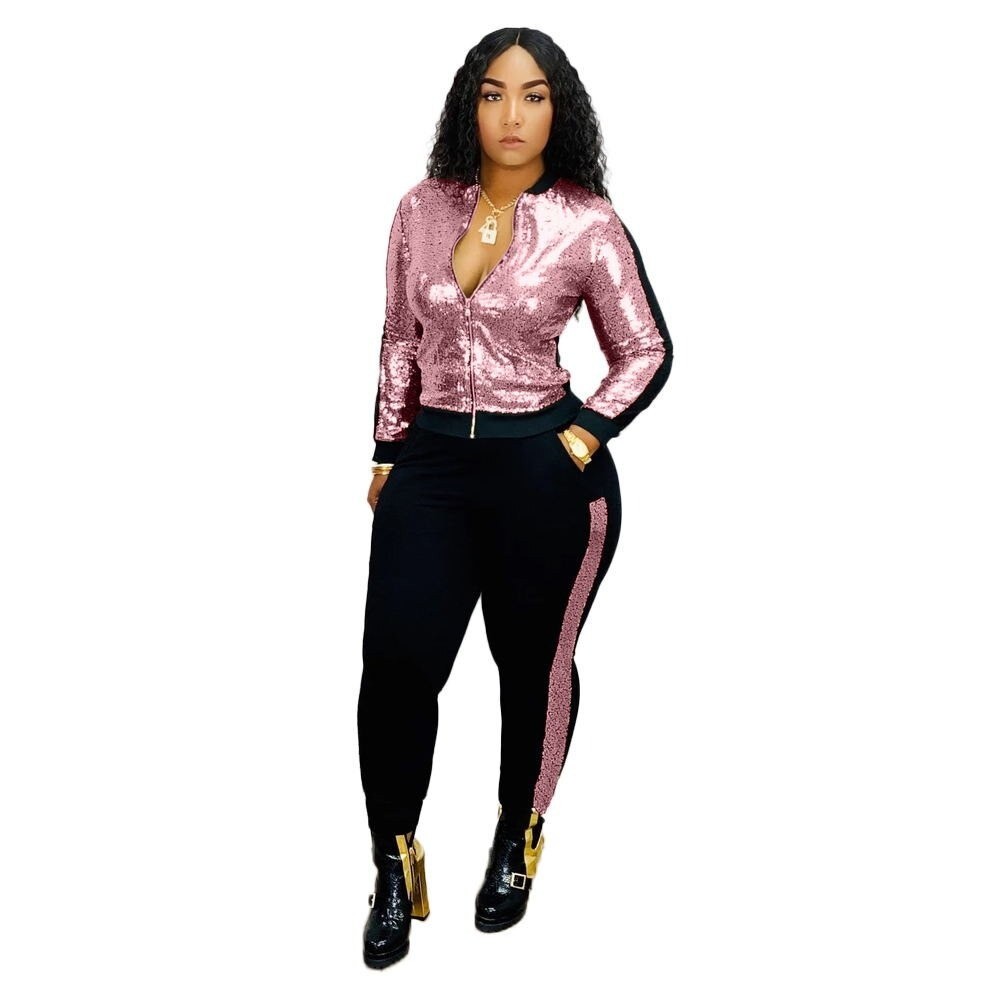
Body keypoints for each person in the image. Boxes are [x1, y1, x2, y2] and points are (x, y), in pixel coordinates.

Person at [357, 26, 674, 969]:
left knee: (532, 667)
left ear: (558, 110)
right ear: (470, 104)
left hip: (545, 473)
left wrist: (584, 433)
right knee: (396, 670)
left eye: (533, 95)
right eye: (494, 93)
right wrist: (388, 451)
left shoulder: (587, 221)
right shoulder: (422, 208)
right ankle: (392, 862)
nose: (512, 114)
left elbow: (645, 347)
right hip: (432, 467)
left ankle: (517, 835)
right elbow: (399, 337)